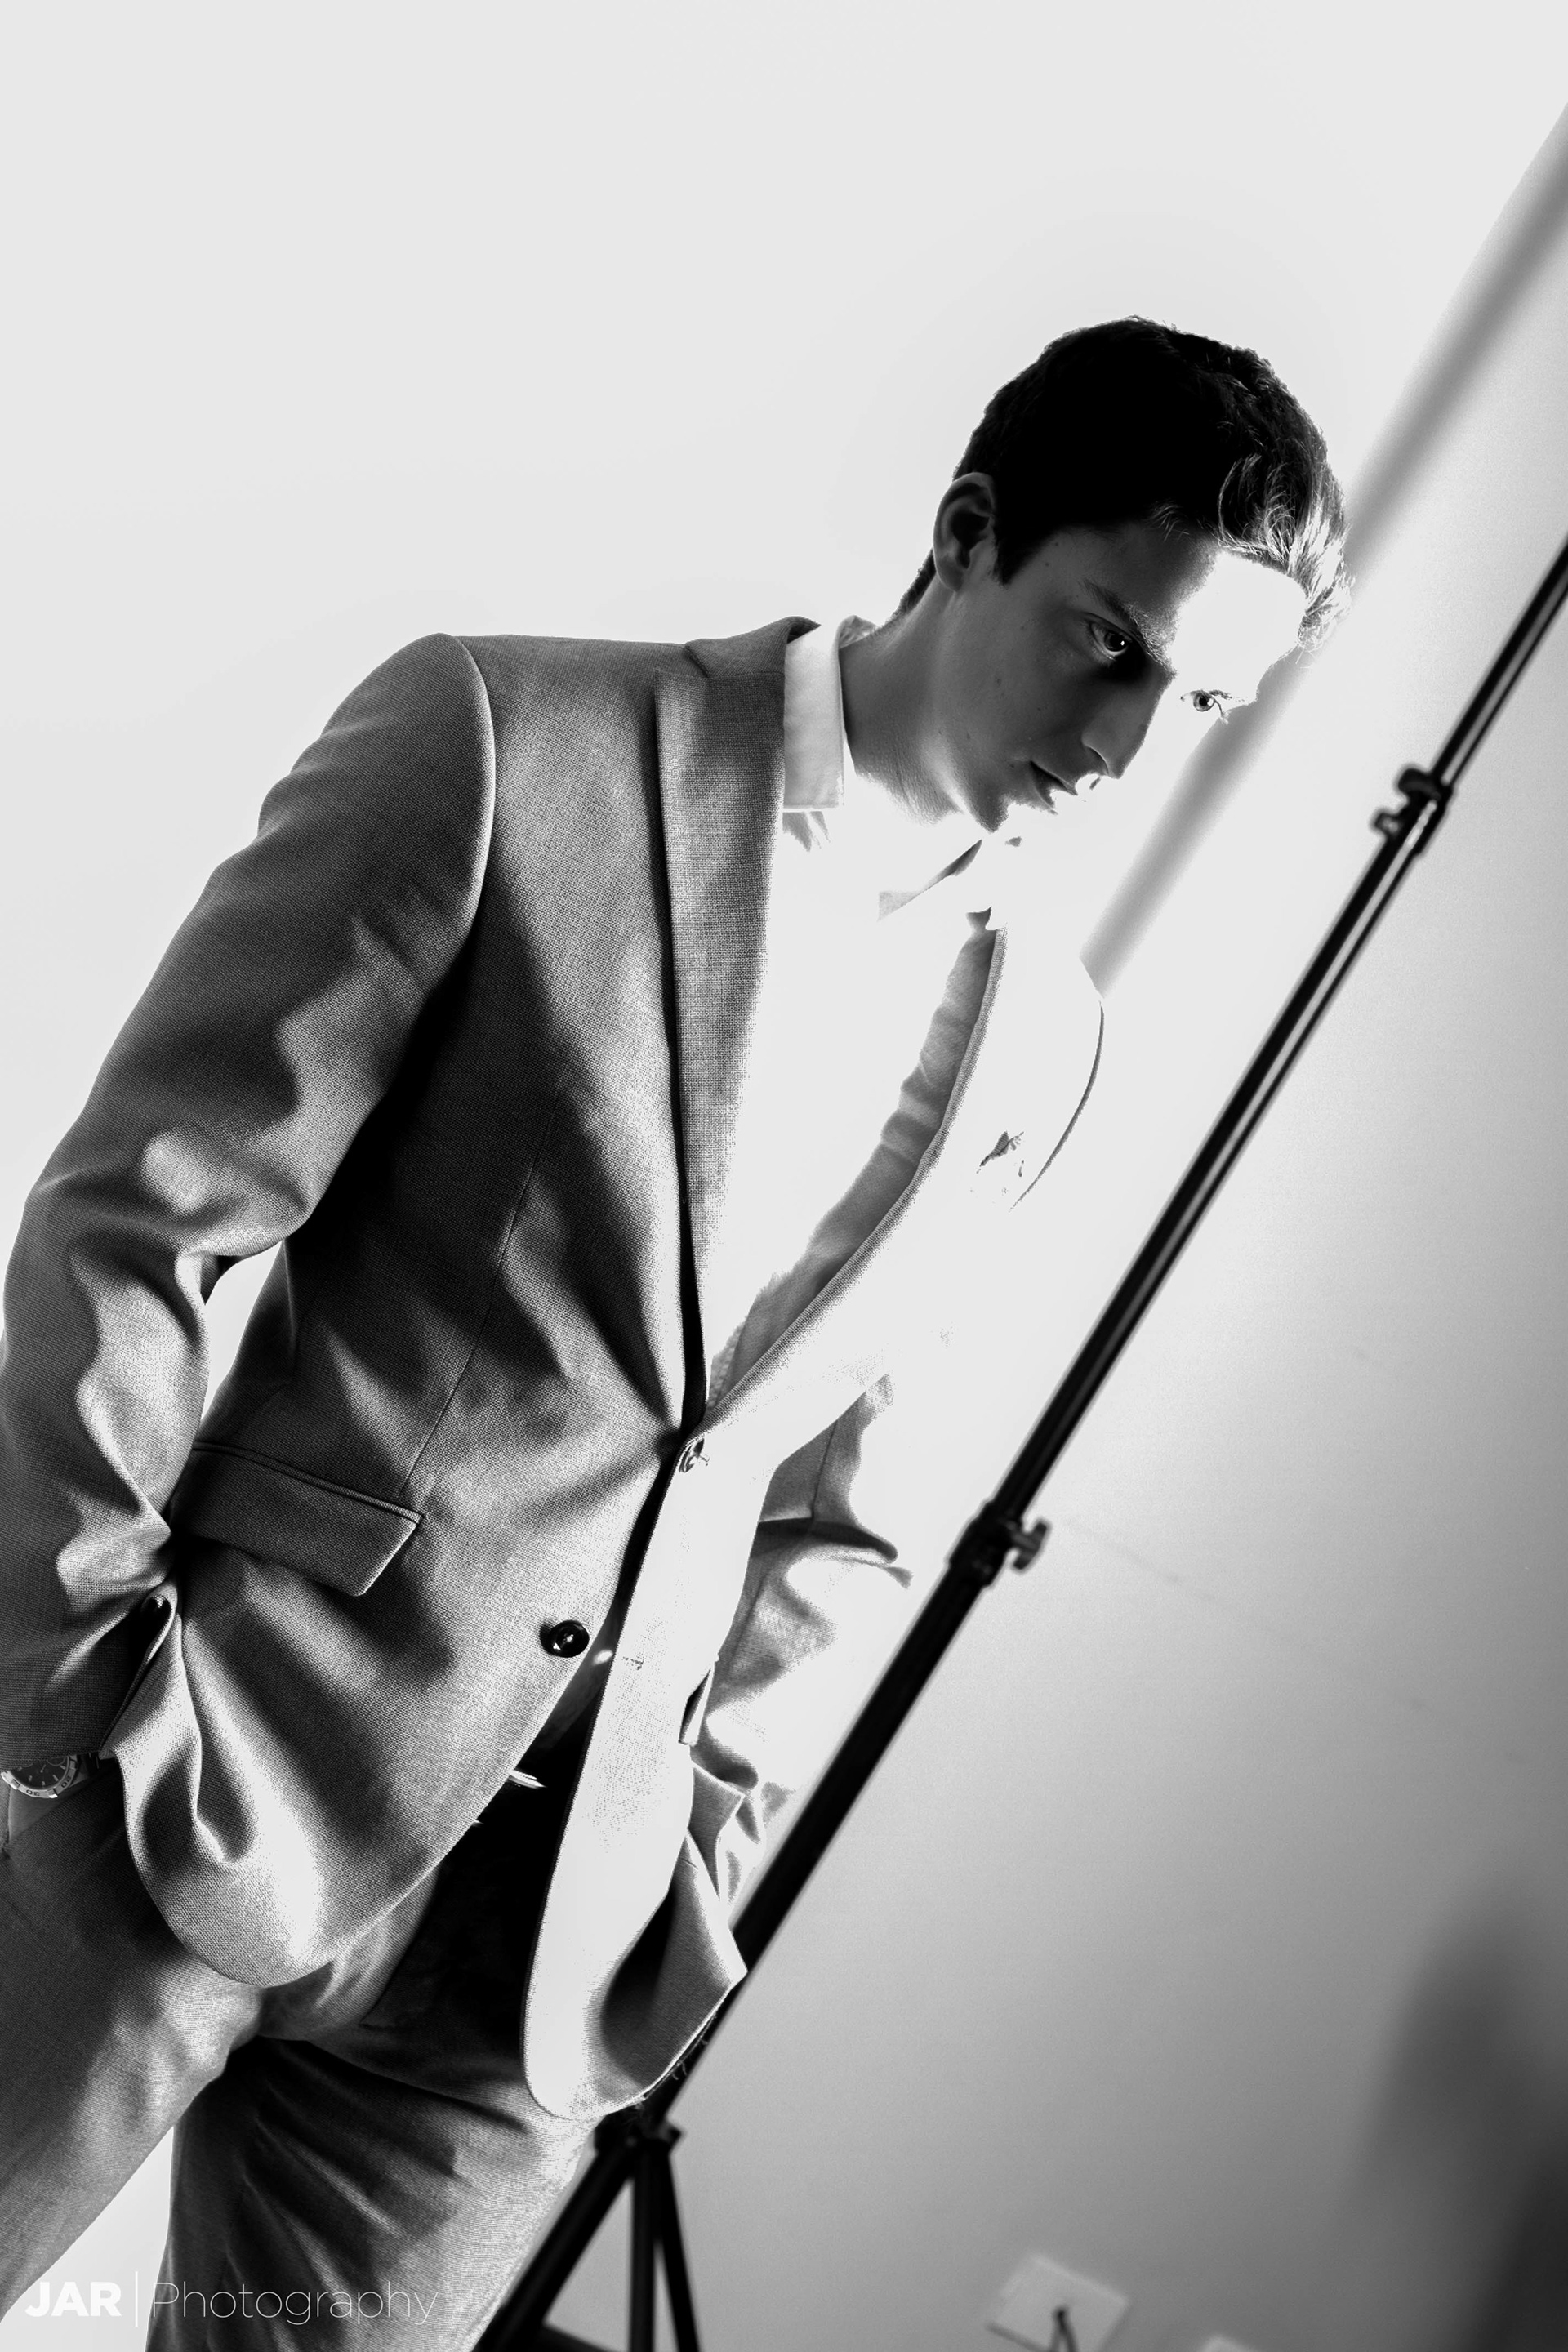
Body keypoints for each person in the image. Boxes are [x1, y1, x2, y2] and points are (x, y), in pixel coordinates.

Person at [0, 317, 1347, 2344]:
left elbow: (842, 1510)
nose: (1128, 750)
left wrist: (697, 1845)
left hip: (530, 1979)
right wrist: (65, 1679)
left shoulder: (1044, 1044)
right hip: (199, 1769)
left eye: (1208, 703)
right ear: (969, 532)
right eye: (1109, 645)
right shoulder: (505, 739)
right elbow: (149, 1218)